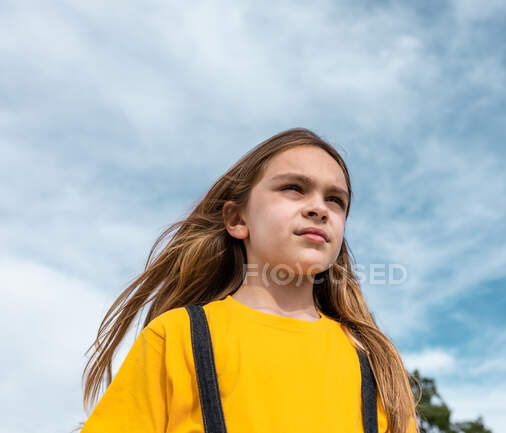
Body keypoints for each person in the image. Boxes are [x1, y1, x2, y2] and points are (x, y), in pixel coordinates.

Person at [78, 128, 419, 433]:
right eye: (294, 189)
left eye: (335, 200)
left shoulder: (376, 359)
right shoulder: (176, 336)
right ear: (238, 218)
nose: (319, 208)